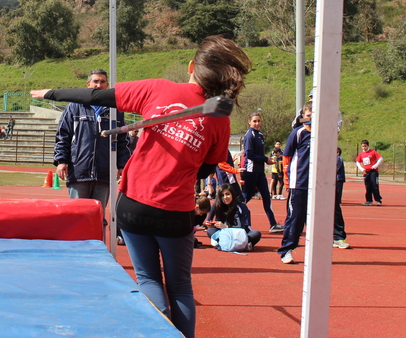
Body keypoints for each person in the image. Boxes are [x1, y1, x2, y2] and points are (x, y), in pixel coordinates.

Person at [31, 36, 251, 338]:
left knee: (148, 279)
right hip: (175, 211)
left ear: (191, 67)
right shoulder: (219, 120)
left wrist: (52, 93)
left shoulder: (158, 88)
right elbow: (209, 166)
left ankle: (156, 331)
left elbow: (97, 96)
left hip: (133, 204)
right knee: (179, 286)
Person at [52, 68, 131, 218]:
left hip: (104, 173)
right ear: (88, 84)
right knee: (76, 216)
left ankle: (98, 242)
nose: (98, 85)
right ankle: (76, 242)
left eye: (102, 82)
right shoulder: (74, 107)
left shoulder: (115, 110)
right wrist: (61, 161)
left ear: (107, 85)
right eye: (95, 81)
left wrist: (122, 165)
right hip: (79, 171)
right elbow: (63, 135)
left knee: (97, 217)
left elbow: (122, 139)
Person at [278, 100, 312, 265]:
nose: (311, 118)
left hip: (318, 186)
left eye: (314, 115)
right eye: (308, 115)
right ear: (303, 116)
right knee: (295, 218)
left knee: (317, 221)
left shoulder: (323, 134)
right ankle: (286, 250)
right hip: (299, 184)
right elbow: (287, 157)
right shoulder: (298, 133)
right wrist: (286, 179)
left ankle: (316, 254)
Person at [242, 112, 283, 232]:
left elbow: (258, 154)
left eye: (259, 121)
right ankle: (231, 217)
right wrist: (265, 159)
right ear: (249, 122)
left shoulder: (260, 135)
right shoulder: (249, 136)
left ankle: (273, 224)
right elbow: (249, 154)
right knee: (246, 196)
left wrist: (266, 160)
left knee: (266, 195)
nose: (257, 123)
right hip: (251, 171)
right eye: (254, 121)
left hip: (259, 172)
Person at [206, 183, 261, 250]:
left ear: (233, 194)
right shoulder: (219, 206)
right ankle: (240, 245)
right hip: (225, 235)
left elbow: (245, 228)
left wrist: (227, 227)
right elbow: (212, 222)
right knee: (210, 230)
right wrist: (212, 225)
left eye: (227, 194)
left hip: (240, 235)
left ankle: (225, 244)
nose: (225, 197)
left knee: (256, 233)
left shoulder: (242, 207)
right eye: (222, 195)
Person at [355, 139, 383, 206]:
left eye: (365, 146)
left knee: (374, 185)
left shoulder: (373, 152)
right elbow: (357, 162)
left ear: (368, 146)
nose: (364, 148)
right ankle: (369, 200)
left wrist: (375, 166)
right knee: (368, 186)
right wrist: (362, 169)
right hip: (366, 172)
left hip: (373, 171)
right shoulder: (361, 154)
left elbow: (380, 158)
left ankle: (378, 200)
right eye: (362, 146)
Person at [333, 147, 350, 249]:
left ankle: (338, 237)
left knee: (335, 208)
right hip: (306, 182)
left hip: (331, 181)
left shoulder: (337, 158)